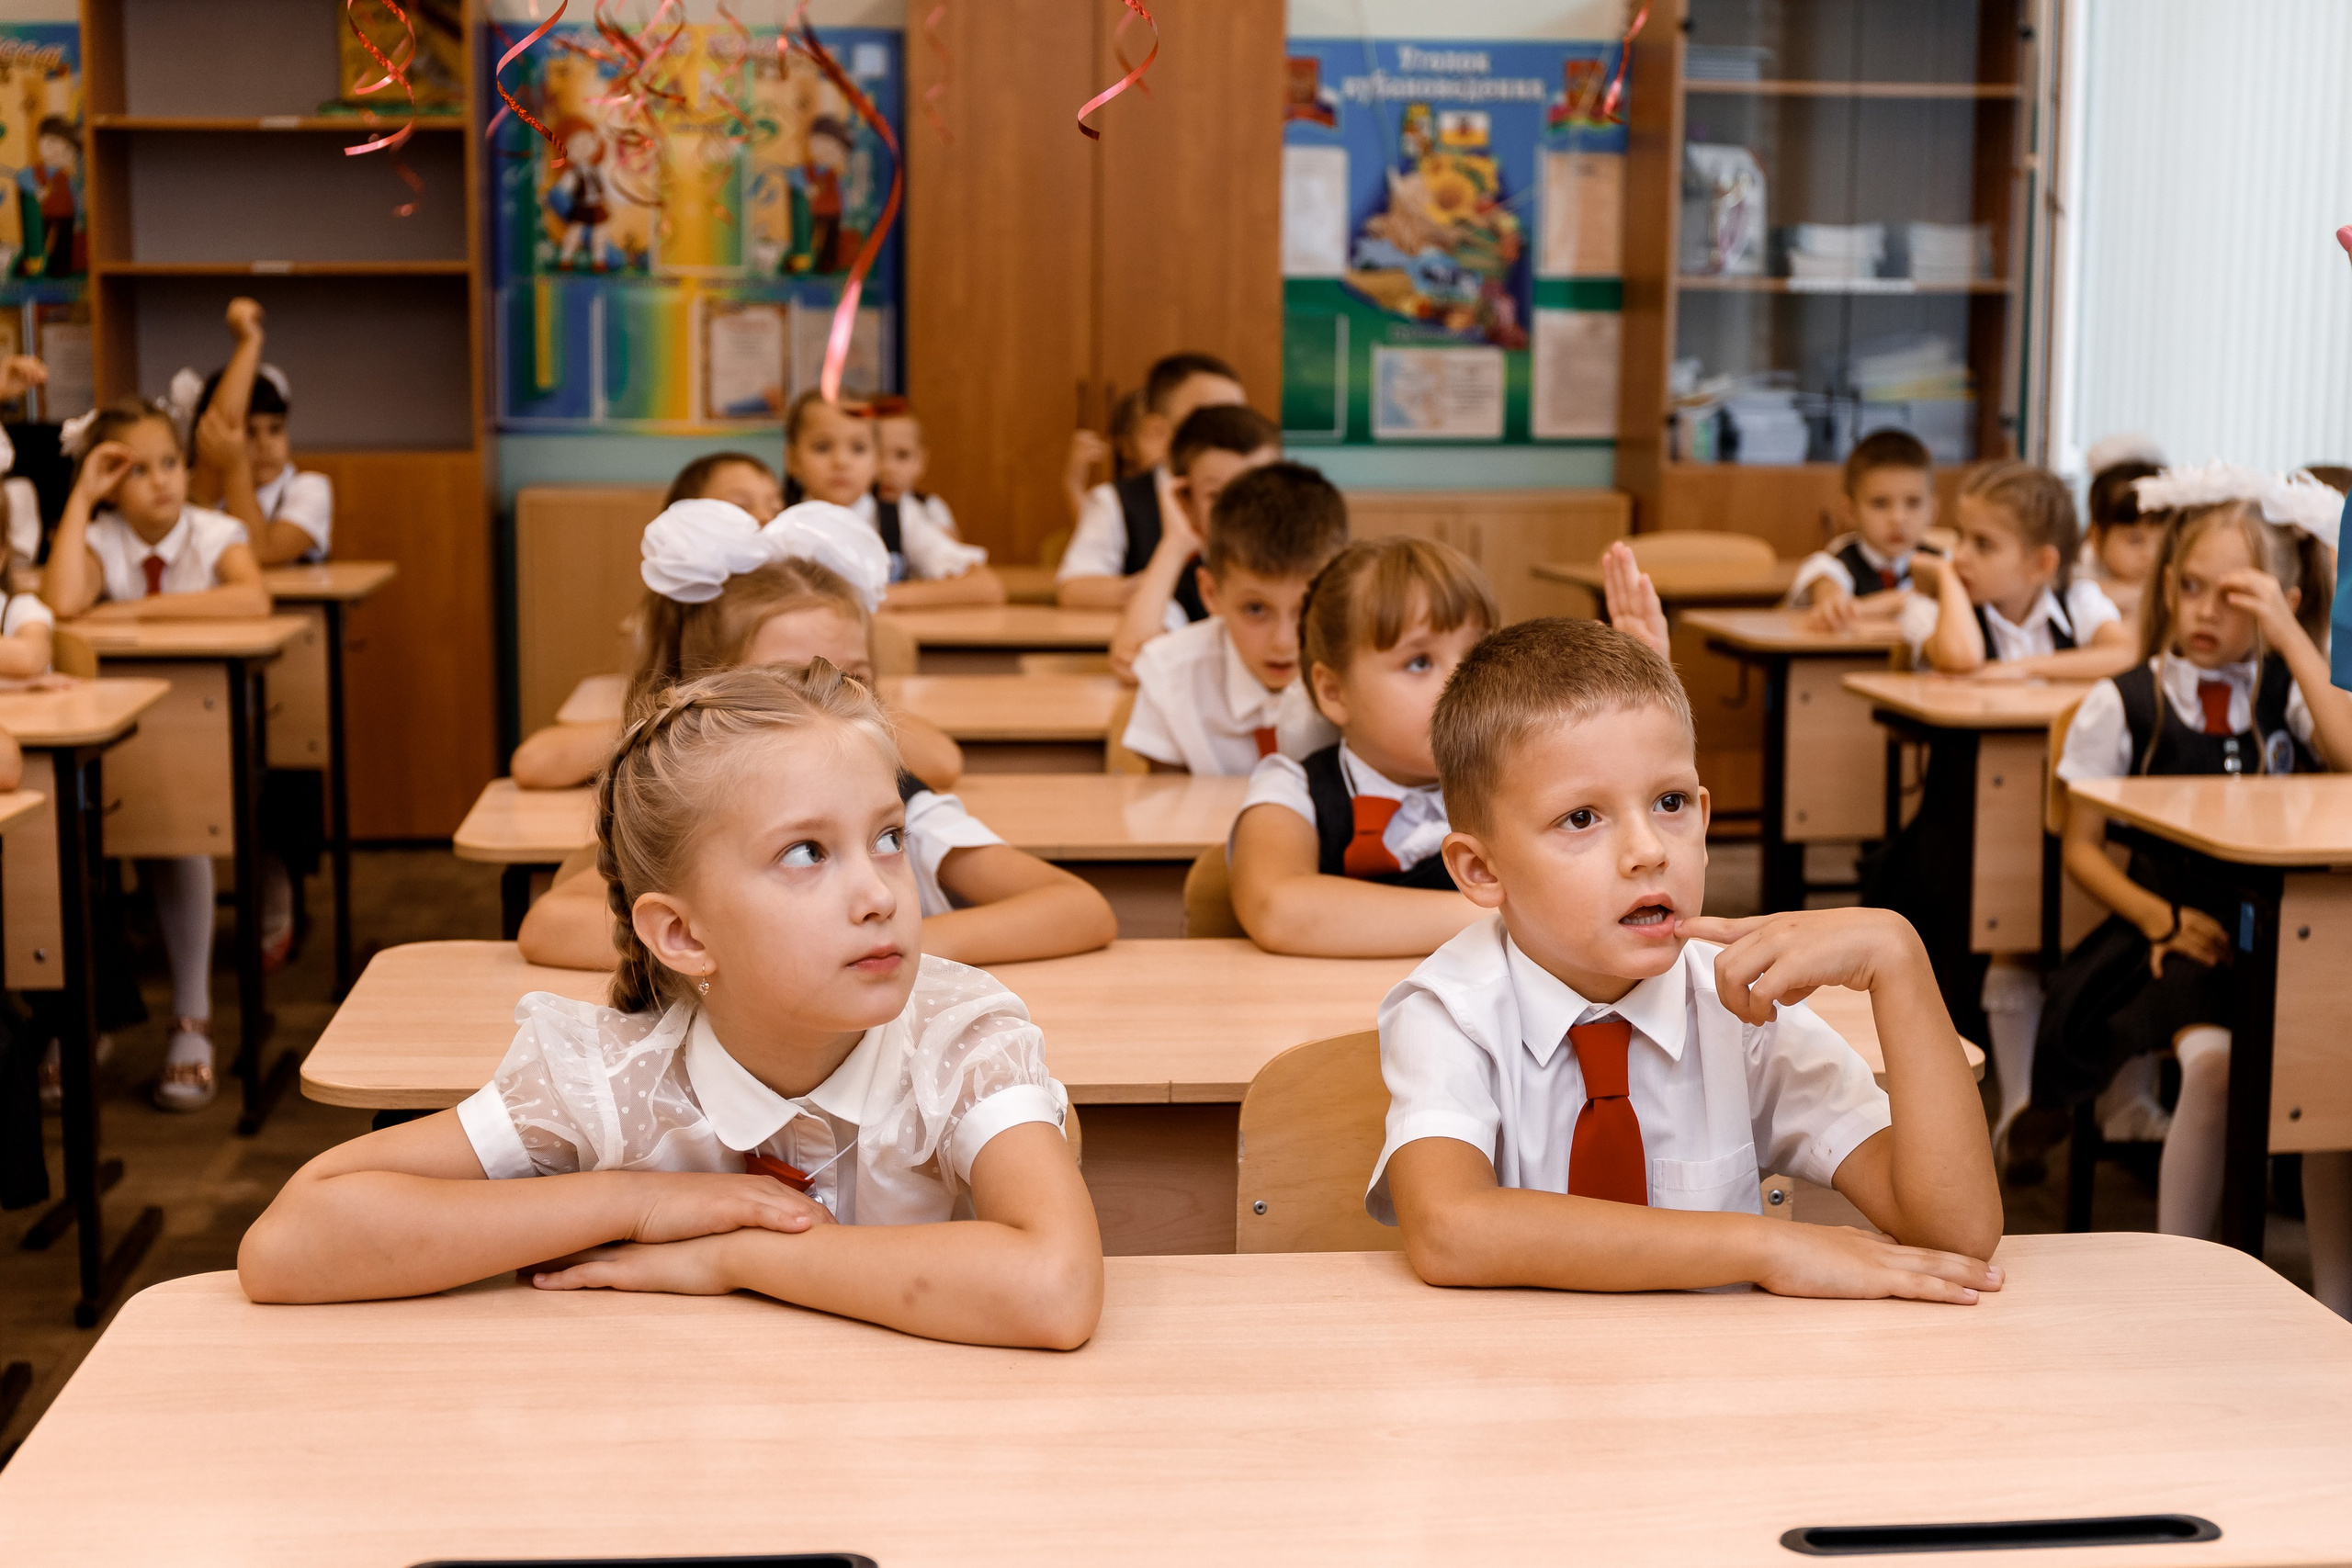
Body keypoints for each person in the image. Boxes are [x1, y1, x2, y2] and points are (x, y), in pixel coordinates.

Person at [238, 663, 1104, 1349]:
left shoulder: (958, 1036)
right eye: (807, 851)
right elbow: (289, 1244)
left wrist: (736, 1257)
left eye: (887, 838)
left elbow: (1053, 1287)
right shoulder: (611, 1078)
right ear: (683, 936)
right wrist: (635, 1203)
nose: (879, 892)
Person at [1369, 616, 2005, 1302]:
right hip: (1513, 1389)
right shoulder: (1450, 1009)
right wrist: (1765, 1245)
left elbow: (1957, 1235)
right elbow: (1450, 1228)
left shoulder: (1738, 1001)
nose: (1649, 850)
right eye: (1582, 817)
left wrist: (1900, 959)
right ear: (1481, 869)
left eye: (1670, 803)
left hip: (1716, 1392)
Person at [517, 500, 1114, 973]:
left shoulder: (896, 808)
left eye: (853, 677)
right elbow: (549, 926)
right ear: (711, 697)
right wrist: (762, 956)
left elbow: (1079, 909)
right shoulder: (692, 815)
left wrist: (889, 945)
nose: (829, 702)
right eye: (791, 678)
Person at [2017, 477, 2352, 1311]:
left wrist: (2289, 636)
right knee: (2215, 1065)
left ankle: (2336, 1303)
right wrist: (2157, 916)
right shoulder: (2122, 702)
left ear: (2284, 600)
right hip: (2165, 936)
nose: (2206, 611)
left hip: (2283, 940)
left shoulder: (2287, 696)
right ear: (2168, 587)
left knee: (2333, 1080)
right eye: (2191, 587)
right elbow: (2081, 850)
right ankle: (2178, 1283)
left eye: (2235, 597)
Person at [1873, 460, 2132, 1152]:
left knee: (2051, 923)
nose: (1962, 555)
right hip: (1957, 822)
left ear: (2044, 562)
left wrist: (2017, 669)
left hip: (2054, 813)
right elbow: (1957, 656)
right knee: (1988, 918)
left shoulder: (2079, 601)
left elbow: (2129, 653)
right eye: (1962, 538)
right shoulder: (1938, 606)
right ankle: (2002, 1103)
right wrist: (1950, 583)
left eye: (1984, 546)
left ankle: (2065, 1101)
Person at [41, 399, 272, 1111]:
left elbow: (251, 598)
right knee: (60, 846)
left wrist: (135, 611)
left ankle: (192, 1015)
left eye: (169, 463)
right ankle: (78, 1022)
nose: (161, 482)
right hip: (110, 746)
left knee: (184, 833)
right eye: (134, 470)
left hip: (198, 738)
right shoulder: (100, 533)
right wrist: (81, 495)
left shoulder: (212, 531)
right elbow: (60, 600)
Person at [508, 452, 961, 793]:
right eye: (739, 506)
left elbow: (941, 761)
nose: (766, 518)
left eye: (774, 503)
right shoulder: (684, 644)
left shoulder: (822, 615)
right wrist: (680, 721)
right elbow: (535, 762)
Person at [1119, 460, 1345, 775]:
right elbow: (1165, 814)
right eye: (1255, 609)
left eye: (1306, 608)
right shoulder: (1171, 677)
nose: (1283, 642)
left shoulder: (1360, 672)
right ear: (1211, 593)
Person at [1056, 353, 1247, 622]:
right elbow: (1075, 587)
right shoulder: (1116, 501)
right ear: (1157, 431)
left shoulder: (1260, 496)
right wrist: (1154, 586)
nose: (1229, 435)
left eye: (1238, 419)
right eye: (1208, 421)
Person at [1107, 404, 1284, 680]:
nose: (1240, 510)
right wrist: (1175, 543)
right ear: (1186, 500)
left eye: (1257, 491)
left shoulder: (1314, 568)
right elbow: (1132, 662)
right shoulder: (1188, 583)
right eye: (1216, 495)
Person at [784, 392, 1002, 608]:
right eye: (822, 447)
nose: (841, 461)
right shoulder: (778, 520)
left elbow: (986, 587)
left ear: (877, 460)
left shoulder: (902, 516)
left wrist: (880, 598)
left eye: (858, 448)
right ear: (793, 460)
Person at [1787, 429, 1939, 632]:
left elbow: (1918, 597)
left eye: (1913, 503)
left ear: (1933, 510)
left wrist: (1862, 608)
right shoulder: (1841, 558)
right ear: (1850, 511)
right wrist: (1831, 599)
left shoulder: (1942, 562)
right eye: (1880, 504)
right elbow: (1822, 575)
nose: (1897, 519)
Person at [2080, 459, 2163, 626]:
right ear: (2096, 539)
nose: (2150, 555)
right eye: (2135, 540)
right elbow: (2077, 597)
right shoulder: (2081, 575)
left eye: (2163, 541)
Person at [871, 401, 963, 543]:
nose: (888, 467)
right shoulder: (859, 507)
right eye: (877, 454)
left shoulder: (930, 507)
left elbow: (954, 552)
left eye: (902, 455)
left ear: (921, 460)